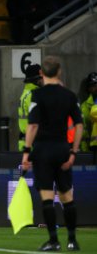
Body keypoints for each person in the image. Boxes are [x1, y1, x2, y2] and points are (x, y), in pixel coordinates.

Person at [21, 56, 83, 251]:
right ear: (59, 72)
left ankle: (54, 240)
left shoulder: (38, 96)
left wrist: (26, 152)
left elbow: (32, 125)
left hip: (43, 151)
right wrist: (73, 151)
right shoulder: (70, 95)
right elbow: (79, 125)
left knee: (47, 196)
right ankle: (72, 240)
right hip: (63, 149)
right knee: (67, 196)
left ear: (41, 73)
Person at [18, 64, 43, 151]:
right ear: (35, 79)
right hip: (32, 144)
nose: (43, 80)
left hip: (29, 142)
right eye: (41, 78)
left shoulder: (28, 93)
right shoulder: (32, 95)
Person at [79, 72, 97, 152]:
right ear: (88, 88)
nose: (95, 88)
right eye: (93, 86)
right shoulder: (84, 106)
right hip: (92, 148)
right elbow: (84, 130)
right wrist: (84, 151)